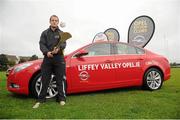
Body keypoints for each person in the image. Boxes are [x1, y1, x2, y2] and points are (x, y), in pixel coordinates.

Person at [33, 15, 67, 109]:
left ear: (58, 22)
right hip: (47, 59)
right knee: (45, 79)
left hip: (59, 58)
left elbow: (64, 43)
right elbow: (41, 44)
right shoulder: (44, 33)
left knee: (60, 79)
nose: (54, 22)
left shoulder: (61, 33)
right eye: (53, 20)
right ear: (50, 21)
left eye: (56, 20)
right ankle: (41, 100)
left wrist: (59, 48)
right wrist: (46, 52)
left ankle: (61, 99)